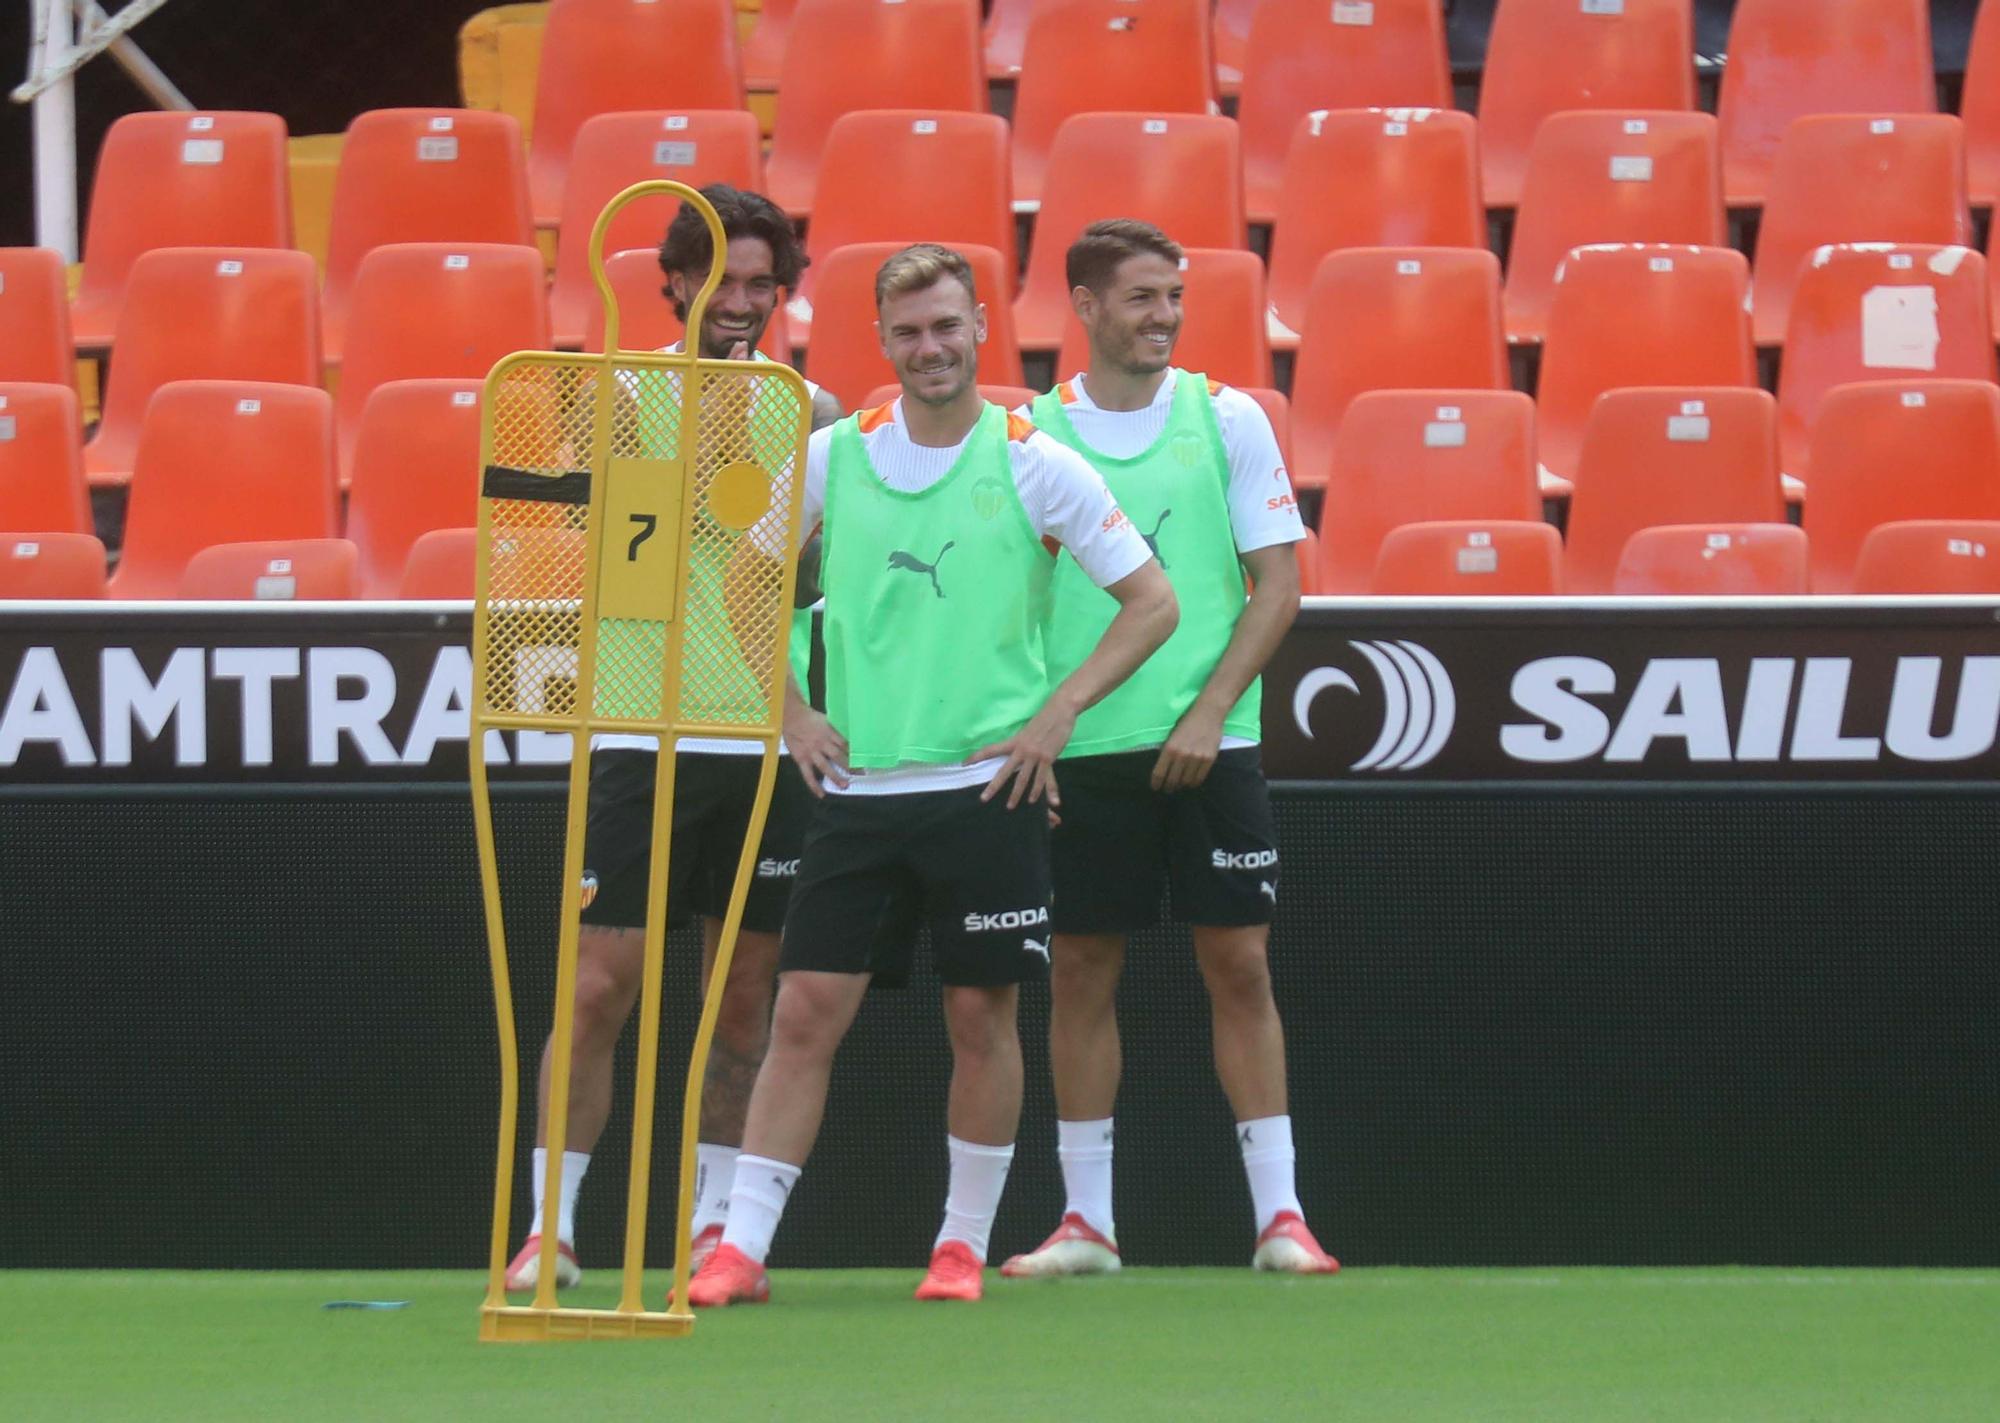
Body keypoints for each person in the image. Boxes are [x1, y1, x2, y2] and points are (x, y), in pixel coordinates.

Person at [686, 243, 1178, 1307]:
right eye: (907, 332)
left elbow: (1153, 601)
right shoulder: (835, 457)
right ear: (882, 342)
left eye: (946, 327)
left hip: (985, 793)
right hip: (857, 795)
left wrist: (1059, 712)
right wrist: (792, 714)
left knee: (979, 1018)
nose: (929, 348)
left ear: (977, 330)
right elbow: (740, 578)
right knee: (804, 1012)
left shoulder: (1033, 457)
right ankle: (741, 1251)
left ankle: (958, 1246)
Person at [506, 185, 842, 1292]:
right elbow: (603, 549)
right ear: (678, 278)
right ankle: (549, 1227)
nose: (740, 302)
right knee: (600, 986)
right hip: (643, 723)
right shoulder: (614, 393)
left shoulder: (812, 410)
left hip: (767, 738)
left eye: (761, 283)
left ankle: (712, 1224)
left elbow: (803, 584)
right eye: (721, 279)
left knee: (744, 998)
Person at [1001, 219, 1337, 1278]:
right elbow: (1014, 610)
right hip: (1086, 750)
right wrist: (1041, 731)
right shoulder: (1032, 437)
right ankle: (1086, 1223)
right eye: (1141, 298)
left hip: (1212, 743)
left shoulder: (1225, 416)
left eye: (1172, 297)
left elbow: (1277, 586)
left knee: (1237, 964)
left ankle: (1280, 1217)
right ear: (1085, 307)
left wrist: (1209, 712)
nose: (1163, 317)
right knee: (1080, 971)